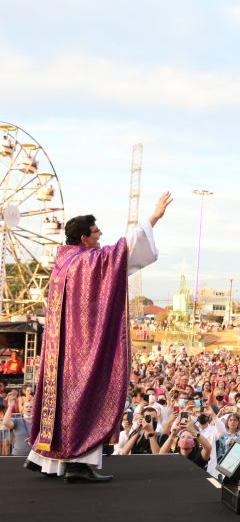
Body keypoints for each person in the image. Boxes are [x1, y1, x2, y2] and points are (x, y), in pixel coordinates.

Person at [26, 192, 172, 482]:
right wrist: (153, 217)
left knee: (61, 400)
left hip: (60, 350)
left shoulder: (63, 263)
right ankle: (79, 463)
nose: (100, 235)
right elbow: (124, 250)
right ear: (83, 238)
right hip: (83, 345)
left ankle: (44, 458)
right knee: (88, 394)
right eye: (95, 232)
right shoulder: (85, 262)